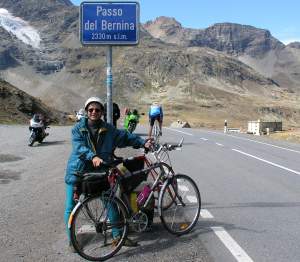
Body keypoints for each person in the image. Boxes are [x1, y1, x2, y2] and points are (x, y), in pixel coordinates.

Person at [64, 97, 151, 251]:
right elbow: (79, 147)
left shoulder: (109, 129)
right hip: (78, 171)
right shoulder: (77, 129)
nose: (94, 112)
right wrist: (93, 156)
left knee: (110, 201)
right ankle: (72, 240)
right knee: (71, 206)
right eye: (90, 110)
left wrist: (142, 142)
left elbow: (125, 137)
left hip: (99, 171)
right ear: (86, 112)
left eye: (97, 110)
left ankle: (118, 236)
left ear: (102, 112)